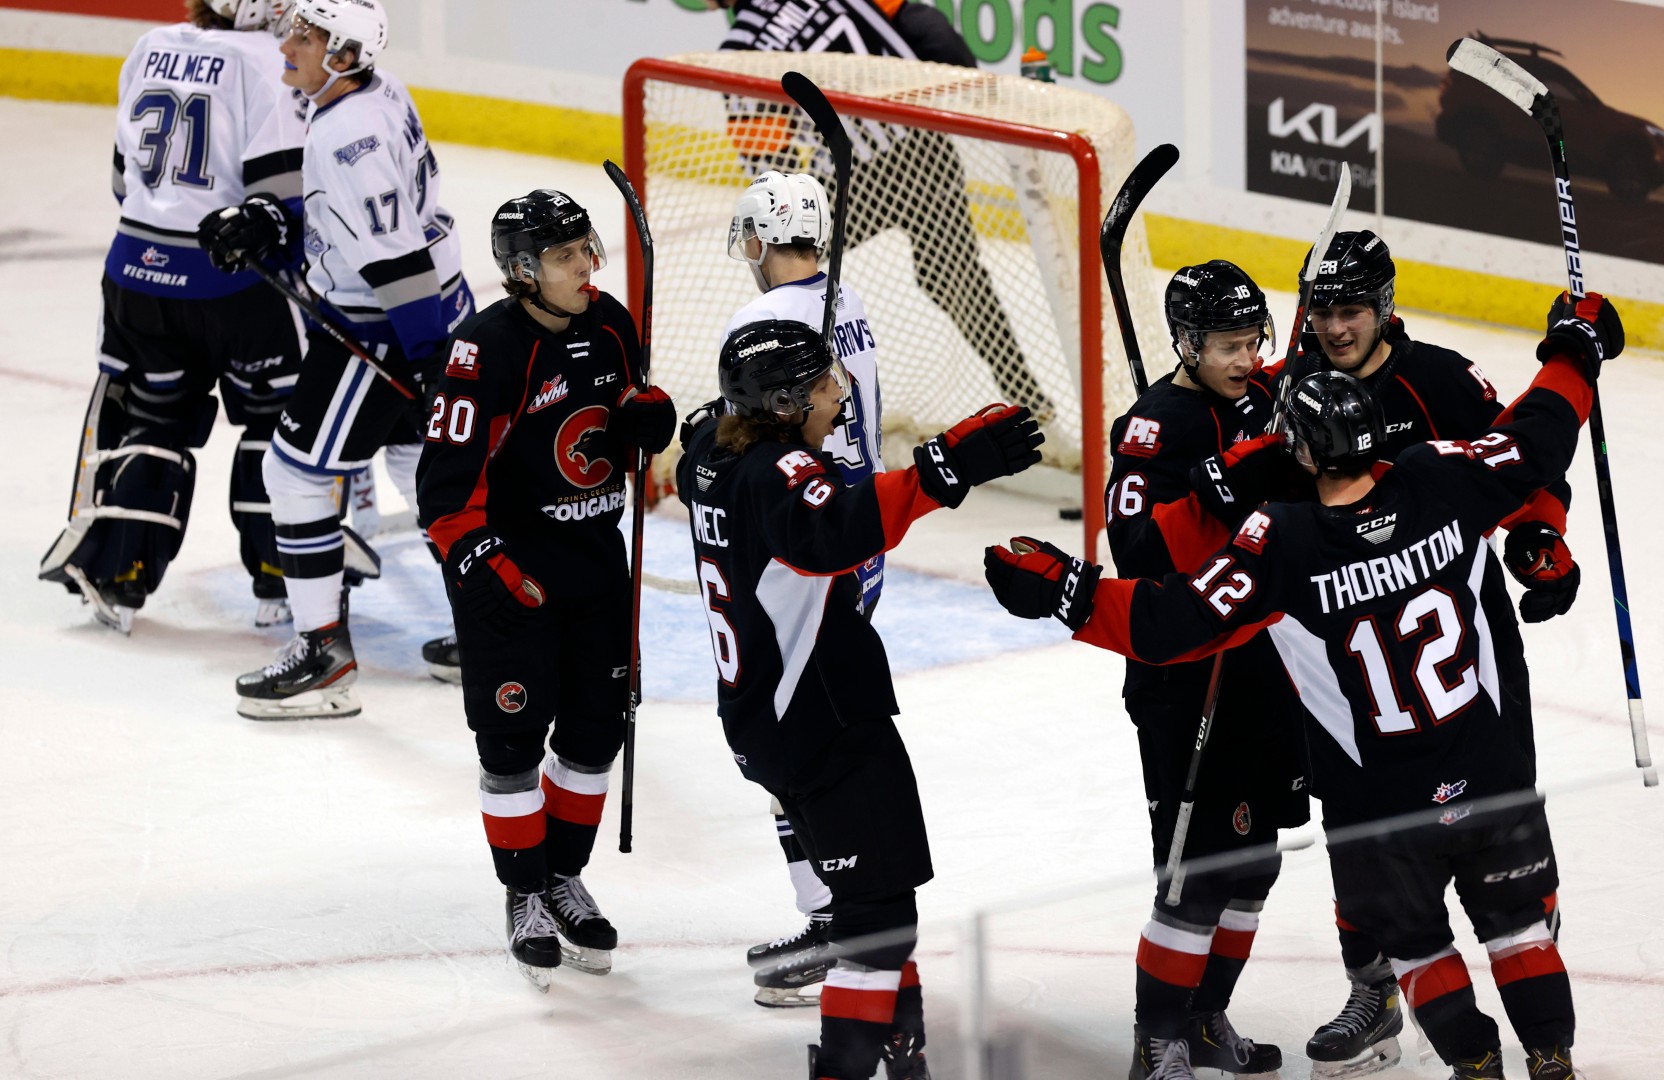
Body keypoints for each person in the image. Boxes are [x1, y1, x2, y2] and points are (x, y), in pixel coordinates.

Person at [985, 291, 1623, 1080]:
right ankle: (1553, 1058)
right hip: (1490, 773)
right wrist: (1574, 348)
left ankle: (1476, 1064)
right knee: (1519, 930)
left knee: (1419, 948)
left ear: (1305, 456)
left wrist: (1067, 592)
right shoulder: (1441, 475)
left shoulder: (1284, 543)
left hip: (1384, 802)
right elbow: (1539, 434)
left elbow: (1170, 621)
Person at [679, 318, 1043, 1080]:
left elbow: (701, 443)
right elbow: (836, 530)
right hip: (824, 725)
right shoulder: (776, 471)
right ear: (781, 406)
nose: (838, 397)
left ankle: (903, 1054)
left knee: (873, 900)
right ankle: (844, 1068)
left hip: (765, 720)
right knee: (876, 921)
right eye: (821, 386)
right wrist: (943, 471)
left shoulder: (712, 455)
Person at [1289, 232, 1578, 1078]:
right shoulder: (1289, 389)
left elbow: (1524, 465)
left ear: (1384, 306)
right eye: (1322, 312)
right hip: (1341, 656)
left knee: (1498, 813)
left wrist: (1539, 538)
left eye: (1351, 310)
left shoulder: (1442, 381)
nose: (1336, 328)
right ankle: (1375, 992)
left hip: (1457, 654)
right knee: (1358, 828)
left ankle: (1525, 941)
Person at [415, 190, 675, 987]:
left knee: (595, 736)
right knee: (512, 746)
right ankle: (524, 891)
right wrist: (493, 574)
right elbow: (443, 498)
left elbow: (623, 425)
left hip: (598, 569)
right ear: (524, 271)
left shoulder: (612, 324)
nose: (588, 265)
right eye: (566, 257)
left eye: (587, 247)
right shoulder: (482, 351)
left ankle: (563, 877)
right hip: (513, 577)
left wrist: (647, 420)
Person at [198, 0, 473, 719]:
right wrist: (270, 223)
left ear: (343, 55)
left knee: (292, 475)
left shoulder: (351, 132)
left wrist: (429, 361)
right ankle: (493, 630)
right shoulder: (371, 92)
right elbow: (346, 214)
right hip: (426, 309)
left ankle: (323, 655)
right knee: (425, 471)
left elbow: (394, 256)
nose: (286, 44)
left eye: (305, 35)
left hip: (382, 329)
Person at [40, 0, 305, 634]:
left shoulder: (149, 47)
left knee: (154, 417)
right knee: (279, 416)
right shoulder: (270, 62)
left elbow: (121, 180)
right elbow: (281, 202)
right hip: (235, 284)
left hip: (136, 275)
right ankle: (285, 576)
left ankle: (120, 574)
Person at [1101, 261, 1301, 1079]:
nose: (1246, 358)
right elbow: (1133, 551)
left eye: (1254, 340)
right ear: (1187, 344)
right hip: (1184, 673)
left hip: (1260, 660)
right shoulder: (1154, 428)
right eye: (1227, 345)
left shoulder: (1259, 395)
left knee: (1254, 862)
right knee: (1193, 870)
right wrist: (1208, 498)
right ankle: (1158, 1040)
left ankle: (1205, 1019)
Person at [705, 0, 1054, 419]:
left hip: (851, 181)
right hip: (923, 151)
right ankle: (1028, 395)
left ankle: (787, 398)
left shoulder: (742, 50)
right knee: (954, 278)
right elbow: (930, 28)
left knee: (783, 270)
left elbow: (770, 169)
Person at [719, 169, 886, 1007]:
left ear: (757, 239)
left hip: (804, 546)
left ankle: (834, 919)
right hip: (857, 541)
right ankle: (842, 911)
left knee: (790, 740)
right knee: (821, 735)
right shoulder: (847, 301)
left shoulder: (758, 325)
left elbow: (745, 442)